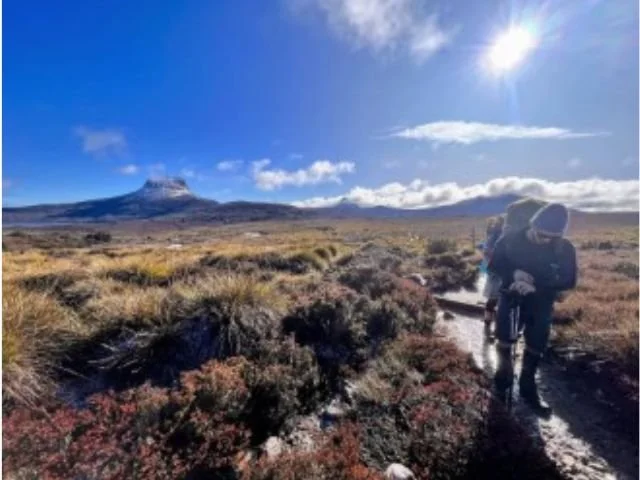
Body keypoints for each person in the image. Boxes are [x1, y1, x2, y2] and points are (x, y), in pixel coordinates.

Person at [488, 203, 577, 415]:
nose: (544, 240)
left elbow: (568, 280)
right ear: (532, 224)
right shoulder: (509, 240)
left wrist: (536, 286)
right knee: (504, 340)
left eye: (550, 237)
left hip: (542, 303)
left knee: (537, 343)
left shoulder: (565, 248)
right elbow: (494, 265)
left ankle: (528, 387)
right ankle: (502, 382)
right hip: (510, 297)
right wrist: (514, 274)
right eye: (540, 234)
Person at [482, 215, 505, 337]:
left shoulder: (493, 235)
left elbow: (486, 253)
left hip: (493, 271)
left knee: (493, 298)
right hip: (499, 272)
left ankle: (488, 320)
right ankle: (497, 325)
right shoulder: (499, 235)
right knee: (498, 298)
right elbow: (488, 252)